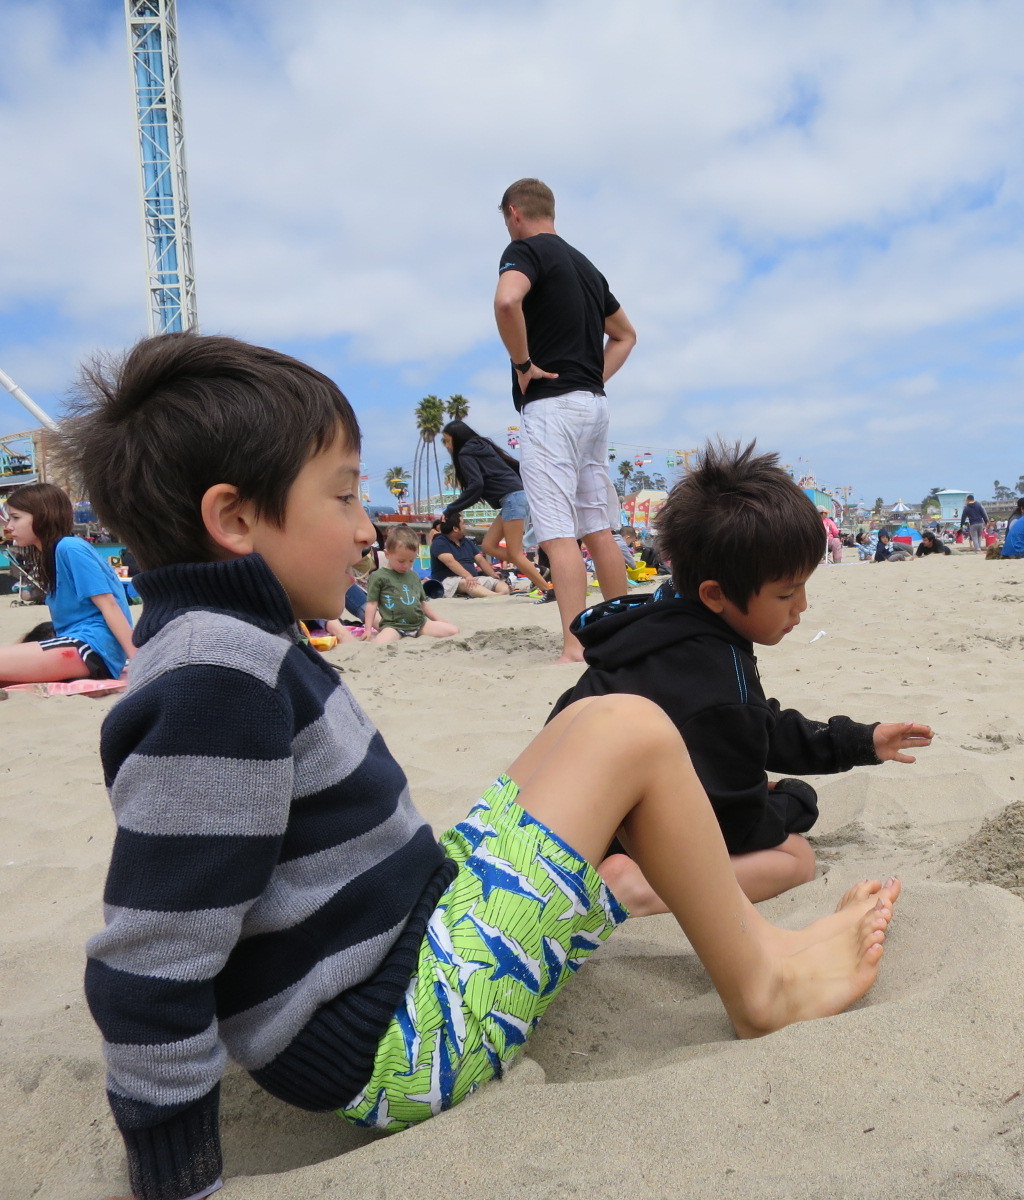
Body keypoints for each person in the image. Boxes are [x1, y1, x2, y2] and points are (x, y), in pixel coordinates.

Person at [64, 332, 898, 1200]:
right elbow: (152, 957)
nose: (365, 528)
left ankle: (733, 932)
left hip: (406, 939)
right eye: (343, 497)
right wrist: (177, 1180)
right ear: (234, 519)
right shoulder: (214, 679)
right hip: (393, 1043)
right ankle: (762, 985)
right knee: (635, 729)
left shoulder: (234, 645)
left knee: (599, 719)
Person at [546, 440, 932, 916]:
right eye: (787, 593)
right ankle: (636, 889)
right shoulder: (718, 678)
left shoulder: (659, 621)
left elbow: (754, 726)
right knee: (795, 858)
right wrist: (796, 801)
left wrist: (859, 741)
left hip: (559, 813)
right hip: (601, 845)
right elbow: (740, 825)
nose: (802, 606)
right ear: (715, 594)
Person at [493, 177, 637, 663]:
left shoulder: (525, 251)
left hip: (551, 408)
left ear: (514, 212)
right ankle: (621, 636)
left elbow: (507, 300)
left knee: (558, 533)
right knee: (598, 527)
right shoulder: (585, 266)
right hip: (592, 406)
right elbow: (625, 334)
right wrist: (593, 376)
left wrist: (522, 364)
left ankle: (575, 647)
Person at [0, 482, 135, 683]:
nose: (9, 526)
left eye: (16, 518)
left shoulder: (69, 548)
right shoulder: (51, 554)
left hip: (93, 648)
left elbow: (109, 604)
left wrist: (138, 659)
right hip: (79, 641)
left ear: (42, 516)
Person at [440, 419, 552, 596]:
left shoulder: (465, 453)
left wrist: (451, 509)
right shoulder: (482, 446)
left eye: (447, 440)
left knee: (514, 554)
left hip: (512, 499)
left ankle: (546, 590)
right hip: (516, 497)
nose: (446, 445)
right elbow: (510, 467)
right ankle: (537, 570)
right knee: (488, 546)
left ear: (457, 438)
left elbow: (476, 486)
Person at [364, 525, 460, 641]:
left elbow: (422, 603)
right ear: (387, 554)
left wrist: (437, 619)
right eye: (401, 561)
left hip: (420, 625)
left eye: (411, 561)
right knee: (380, 642)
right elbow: (371, 604)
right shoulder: (378, 576)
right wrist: (368, 629)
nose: (406, 565)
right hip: (394, 626)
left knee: (453, 631)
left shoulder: (414, 576)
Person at [428, 512, 509, 598]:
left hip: (470, 578)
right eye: (463, 524)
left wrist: (492, 574)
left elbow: (480, 560)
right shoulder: (439, 542)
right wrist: (467, 576)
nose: (465, 526)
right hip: (448, 581)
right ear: (455, 528)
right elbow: (451, 562)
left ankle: (502, 593)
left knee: (496, 582)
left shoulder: (466, 542)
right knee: (467, 583)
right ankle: (496, 595)